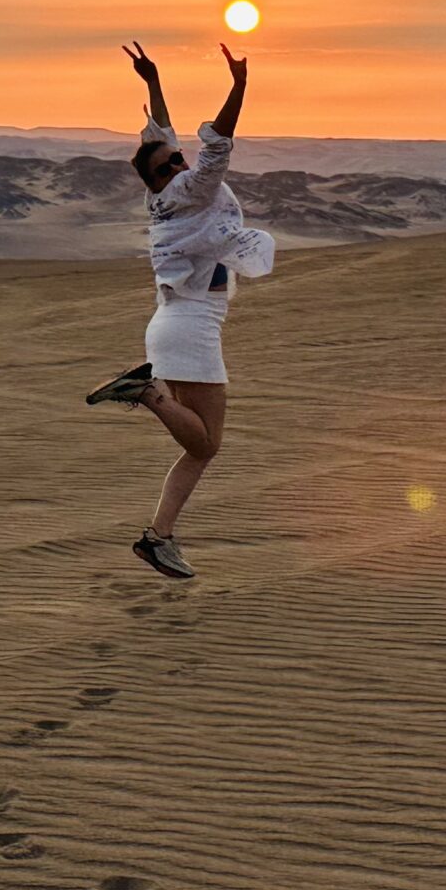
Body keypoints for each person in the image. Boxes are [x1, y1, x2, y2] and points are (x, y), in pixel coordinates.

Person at [84, 40, 275, 579]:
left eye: (178, 159)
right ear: (162, 180)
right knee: (206, 443)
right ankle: (142, 390)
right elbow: (217, 146)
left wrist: (152, 81)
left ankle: (158, 537)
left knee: (201, 448)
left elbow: (160, 135)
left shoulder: (160, 195)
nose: (180, 160)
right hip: (189, 327)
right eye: (171, 164)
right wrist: (238, 88)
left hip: (175, 324)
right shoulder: (191, 189)